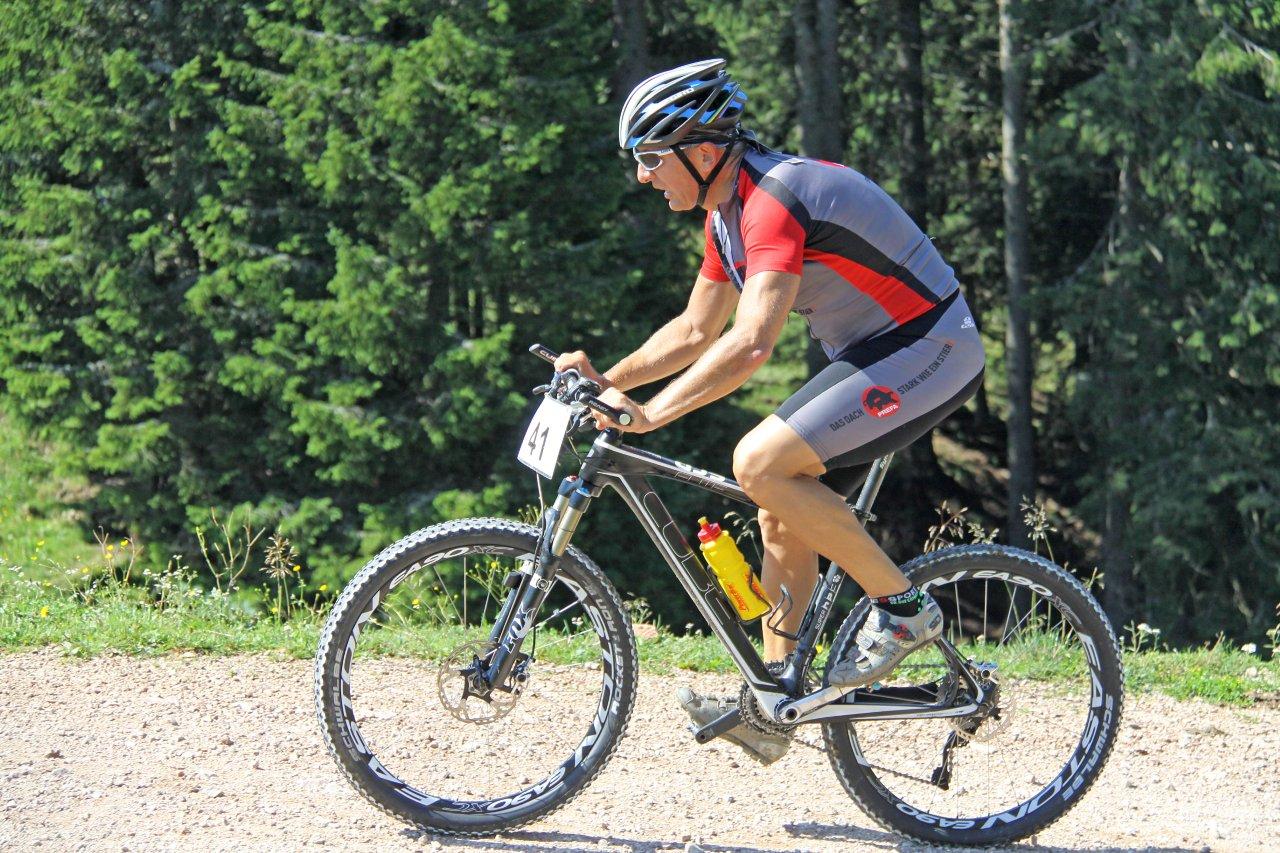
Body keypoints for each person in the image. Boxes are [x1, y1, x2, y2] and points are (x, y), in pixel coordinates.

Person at [554, 58, 986, 765]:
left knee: (757, 461)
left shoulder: (773, 201)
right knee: (779, 504)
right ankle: (773, 702)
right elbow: (695, 329)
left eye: (651, 158)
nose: (642, 175)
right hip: (878, 351)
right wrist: (609, 379)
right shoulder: (726, 215)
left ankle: (905, 612)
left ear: (701, 152)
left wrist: (651, 414)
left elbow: (751, 341)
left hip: (931, 345)